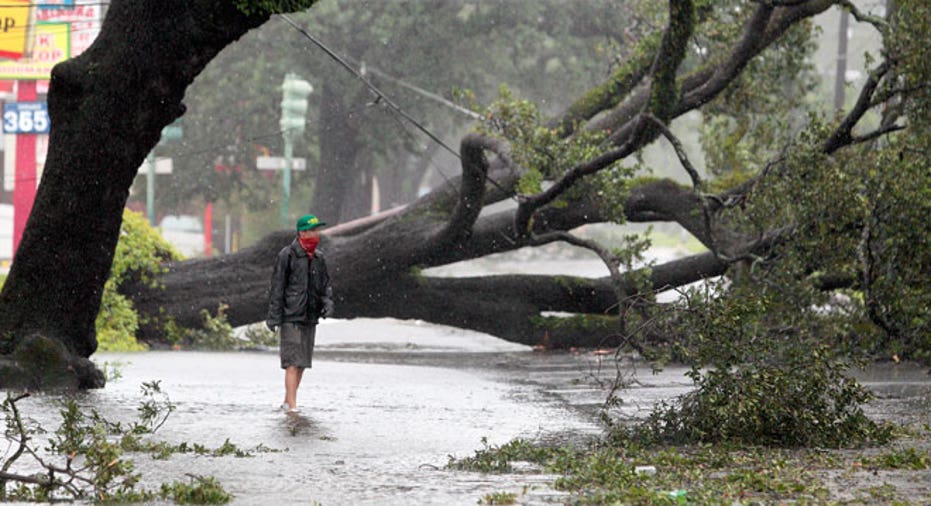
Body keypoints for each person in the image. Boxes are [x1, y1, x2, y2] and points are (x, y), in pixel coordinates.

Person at [266, 213, 334, 413]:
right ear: (302, 232)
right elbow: (277, 287)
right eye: (311, 230)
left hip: (310, 316)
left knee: (303, 362)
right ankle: (292, 407)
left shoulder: (319, 258)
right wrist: (274, 317)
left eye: (317, 230)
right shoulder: (287, 255)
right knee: (292, 362)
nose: (315, 234)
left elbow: (325, 285)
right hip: (291, 316)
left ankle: (288, 400)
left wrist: (327, 303)